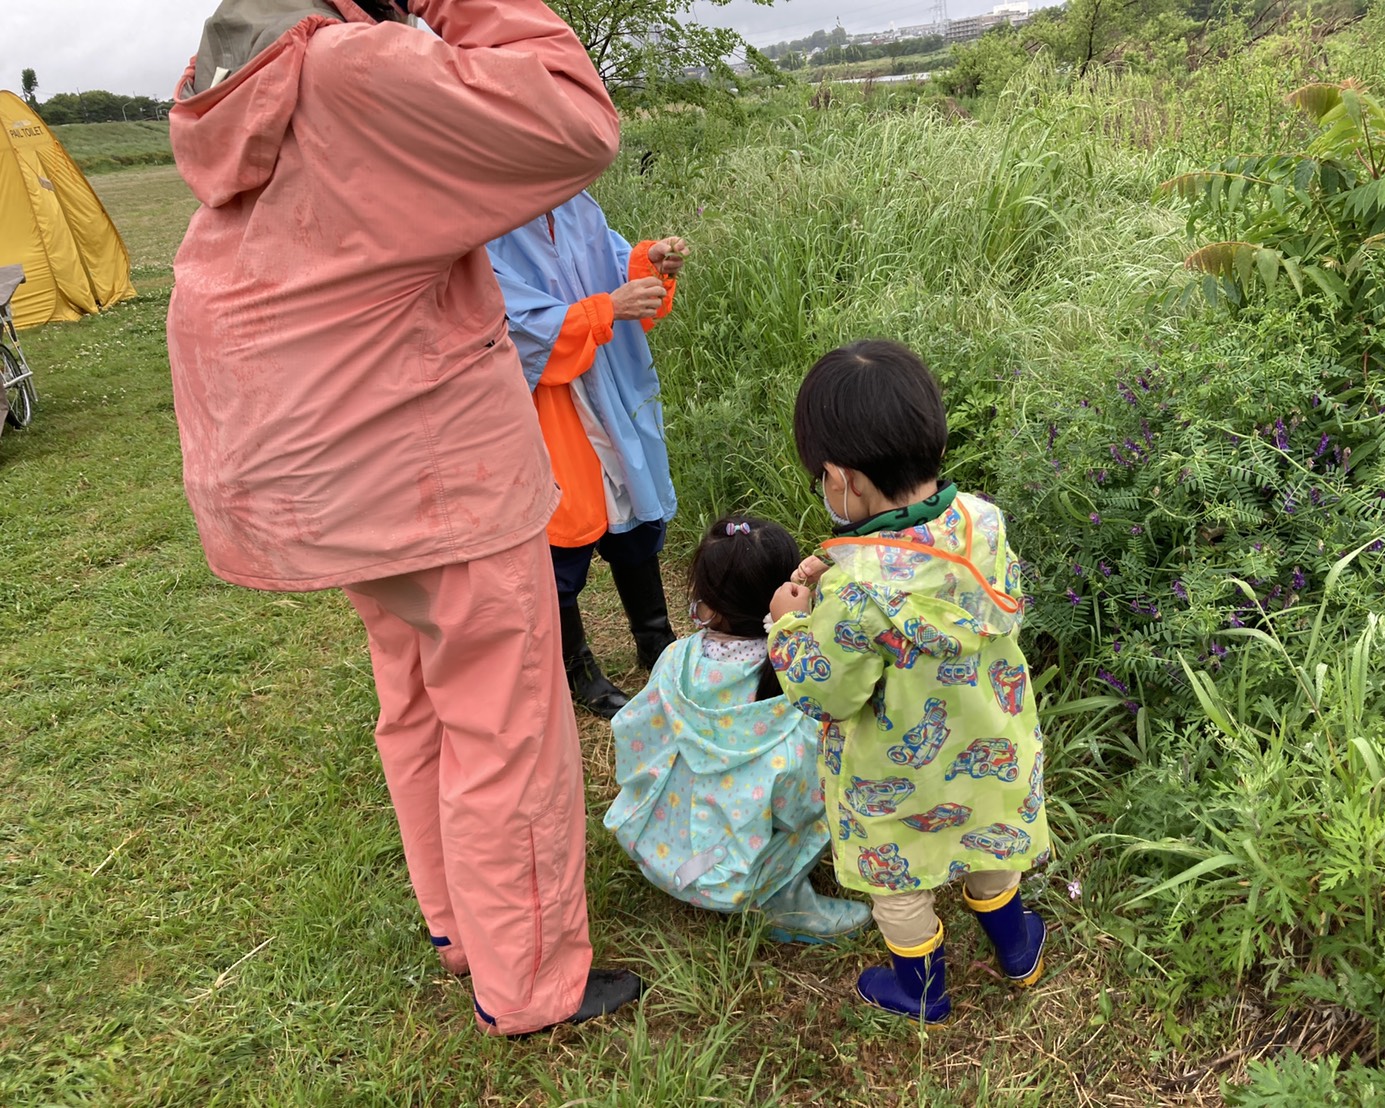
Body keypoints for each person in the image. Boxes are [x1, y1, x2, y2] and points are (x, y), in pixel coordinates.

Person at [166, 0, 641, 1036]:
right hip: (431, 470)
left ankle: (459, 927)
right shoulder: (354, 69)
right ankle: (530, 984)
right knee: (504, 723)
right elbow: (573, 118)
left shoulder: (243, 82)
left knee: (417, 697)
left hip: (337, 477)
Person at [766, 340, 1050, 1022]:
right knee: (988, 842)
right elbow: (951, 586)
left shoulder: (858, 591)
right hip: (989, 748)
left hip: (896, 782)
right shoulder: (983, 521)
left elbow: (824, 692)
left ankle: (920, 989)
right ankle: (1018, 951)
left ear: (843, 480)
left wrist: (789, 626)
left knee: (899, 880)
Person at [603, 516, 872, 942]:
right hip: (736, 876)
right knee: (842, 780)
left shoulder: (676, 660)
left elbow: (638, 744)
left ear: (705, 605)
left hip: (658, 854)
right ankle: (784, 903)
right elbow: (801, 801)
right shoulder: (796, 681)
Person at [485, 193, 684, 718]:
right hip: (549, 404)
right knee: (561, 536)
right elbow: (514, 324)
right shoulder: (487, 225)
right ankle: (576, 667)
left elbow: (614, 265)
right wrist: (606, 309)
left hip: (611, 388)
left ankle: (655, 643)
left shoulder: (578, 206)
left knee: (634, 519)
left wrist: (650, 264)